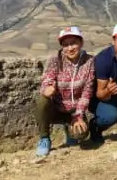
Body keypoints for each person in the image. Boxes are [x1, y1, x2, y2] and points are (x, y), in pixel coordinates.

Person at [33, 26, 96, 157]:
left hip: (74, 111)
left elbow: (87, 91)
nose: (70, 48)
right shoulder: (55, 61)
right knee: (42, 100)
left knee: (81, 133)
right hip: (57, 108)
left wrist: (78, 116)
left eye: (73, 43)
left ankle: (69, 129)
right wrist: (47, 89)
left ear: (81, 43)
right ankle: (44, 139)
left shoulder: (90, 62)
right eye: (65, 45)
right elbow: (47, 79)